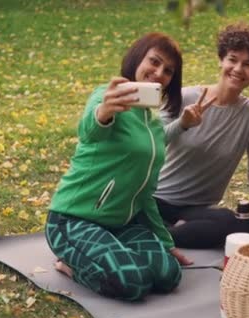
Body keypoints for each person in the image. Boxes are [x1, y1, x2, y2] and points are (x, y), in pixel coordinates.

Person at [44, 32, 194, 302]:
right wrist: (104, 112)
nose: (159, 72)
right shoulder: (106, 96)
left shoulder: (154, 124)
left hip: (121, 225)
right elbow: (91, 130)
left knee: (168, 275)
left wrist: (166, 244)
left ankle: (107, 255)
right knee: (132, 283)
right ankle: (69, 266)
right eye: (154, 61)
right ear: (137, 59)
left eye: (168, 70)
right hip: (74, 220)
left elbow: (145, 194)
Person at [155, 22, 249, 249]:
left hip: (198, 209)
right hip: (158, 198)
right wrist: (182, 124)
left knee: (239, 226)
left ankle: (163, 235)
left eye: (248, 64)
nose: (238, 69)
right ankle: (164, 231)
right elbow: (153, 141)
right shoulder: (185, 97)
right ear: (221, 60)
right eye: (232, 59)